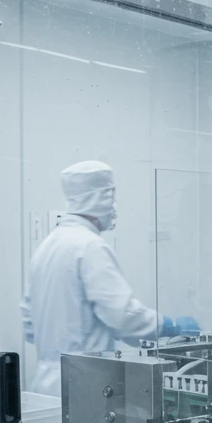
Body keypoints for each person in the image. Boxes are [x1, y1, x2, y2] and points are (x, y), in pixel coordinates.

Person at [21, 161, 199, 395]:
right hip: (86, 381)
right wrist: (167, 326)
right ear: (98, 199)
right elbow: (122, 315)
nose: (114, 205)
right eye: (111, 196)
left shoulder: (46, 247)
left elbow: (29, 324)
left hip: (46, 383)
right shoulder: (90, 246)